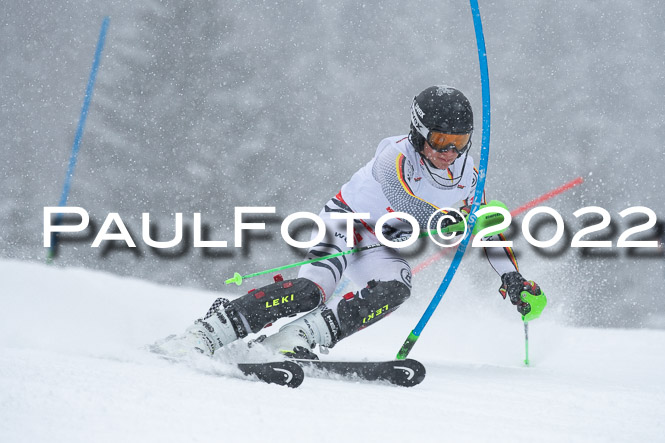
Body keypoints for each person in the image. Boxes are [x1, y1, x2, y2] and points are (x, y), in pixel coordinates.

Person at [158, 85, 547, 360]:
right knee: (312, 291)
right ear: (418, 131)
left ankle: (300, 337)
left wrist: (510, 278)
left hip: (383, 245)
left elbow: (485, 226)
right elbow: (402, 203)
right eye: (441, 139)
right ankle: (212, 330)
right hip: (345, 224)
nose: (450, 152)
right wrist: (444, 221)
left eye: (460, 141)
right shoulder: (393, 156)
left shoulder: (467, 174)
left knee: (396, 289)